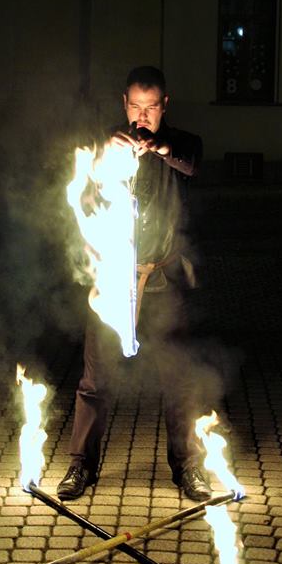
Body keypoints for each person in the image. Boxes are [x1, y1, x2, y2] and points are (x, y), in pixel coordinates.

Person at [58, 66, 211, 502]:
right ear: (124, 103)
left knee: (178, 376)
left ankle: (187, 467)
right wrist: (105, 153)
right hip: (113, 281)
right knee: (95, 380)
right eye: (136, 107)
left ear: (164, 106)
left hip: (162, 276)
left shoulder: (181, 145)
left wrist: (160, 147)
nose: (142, 117)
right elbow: (80, 184)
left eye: (151, 108)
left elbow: (190, 162)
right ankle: (81, 465)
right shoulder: (105, 143)